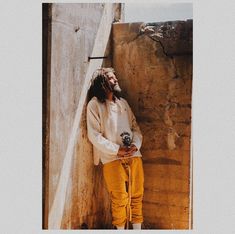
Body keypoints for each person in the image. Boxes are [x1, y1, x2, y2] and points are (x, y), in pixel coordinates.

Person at [86, 67, 144, 230]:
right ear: (103, 83)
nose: (116, 80)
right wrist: (117, 150)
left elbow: (135, 128)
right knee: (119, 198)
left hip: (134, 156)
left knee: (137, 195)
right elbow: (94, 136)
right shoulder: (94, 105)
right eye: (111, 78)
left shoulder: (123, 103)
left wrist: (135, 145)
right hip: (112, 158)